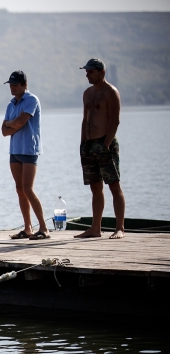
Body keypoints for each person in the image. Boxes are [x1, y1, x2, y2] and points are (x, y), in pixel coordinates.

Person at [75, 58, 125, 239]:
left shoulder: (110, 92)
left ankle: (120, 228)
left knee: (114, 185)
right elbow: (85, 119)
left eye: (90, 72)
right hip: (88, 145)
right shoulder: (87, 93)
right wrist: (82, 144)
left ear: (101, 72)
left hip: (105, 143)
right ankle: (95, 228)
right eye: (86, 72)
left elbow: (115, 120)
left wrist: (106, 143)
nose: (87, 75)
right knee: (95, 187)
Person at [0, 70, 49, 240]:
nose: (12, 88)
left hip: (29, 149)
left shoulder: (32, 100)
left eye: (15, 85)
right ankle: (27, 228)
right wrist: (13, 124)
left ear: (24, 85)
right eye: (10, 85)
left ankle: (43, 228)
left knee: (28, 189)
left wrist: (11, 123)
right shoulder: (10, 104)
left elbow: (20, 122)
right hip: (15, 150)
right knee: (19, 189)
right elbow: (4, 131)